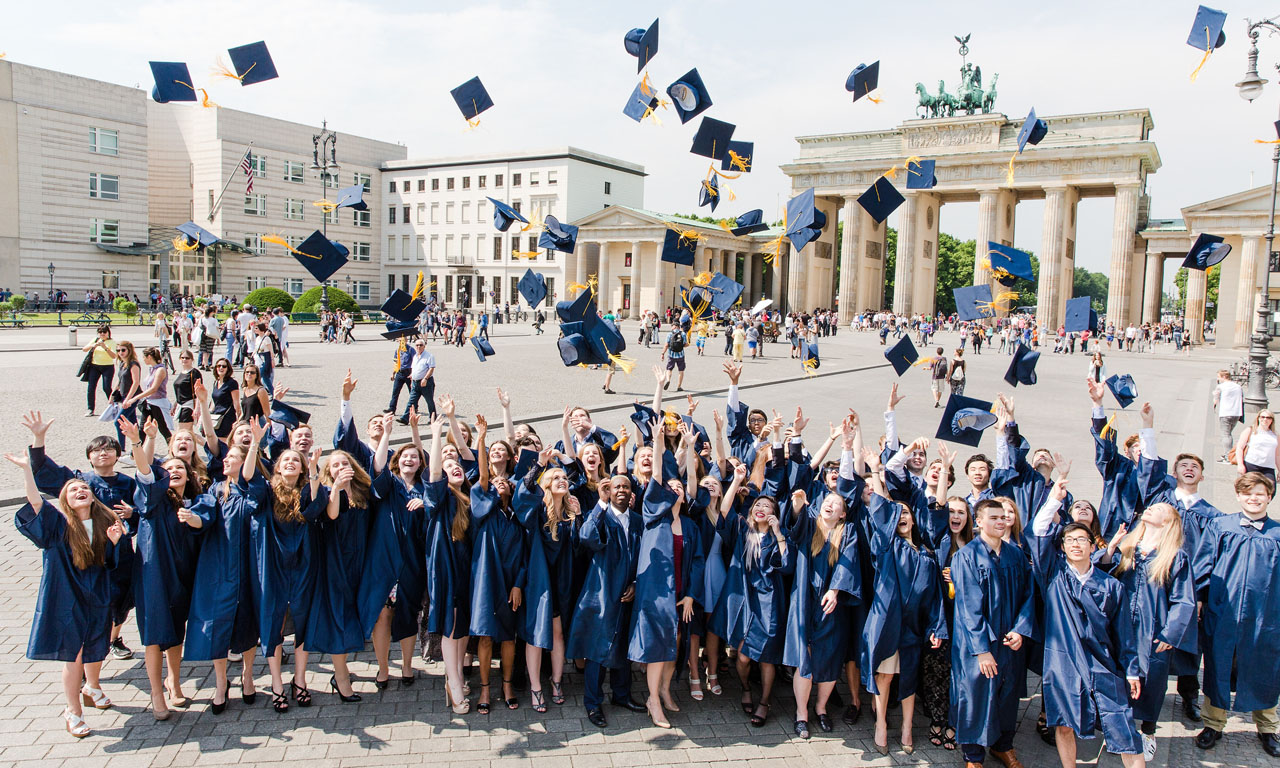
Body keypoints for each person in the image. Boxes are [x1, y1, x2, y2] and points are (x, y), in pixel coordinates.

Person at [5, 451, 127, 738]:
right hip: (66, 598)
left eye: (83, 487)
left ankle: (92, 687)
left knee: (98, 646)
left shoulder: (104, 522)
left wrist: (112, 543)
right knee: (74, 655)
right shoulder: (58, 525)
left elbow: (110, 564)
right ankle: (72, 711)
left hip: (97, 596)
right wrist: (26, 470)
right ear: (64, 500)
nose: (80, 490)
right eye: (73, 489)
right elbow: (35, 503)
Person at [1029, 476, 1146, 768]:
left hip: (1102, 663)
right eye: (1069, 540)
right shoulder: (1053, 576)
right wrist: (1054, 498)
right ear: (1063, 547)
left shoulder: (1110, 586)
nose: (1075, 544)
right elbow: (1039, 531)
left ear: (1093, 546)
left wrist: (1131, 671)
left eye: (1082, 539)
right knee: (1064, 723)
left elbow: (1125, 636)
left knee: (1123, 726)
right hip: (1063, 662)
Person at [862, 446, 947, 756]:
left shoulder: (926, 554)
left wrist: (937, 626)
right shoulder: (886, 547)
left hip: (913, 625)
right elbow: (881, 511)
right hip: (886, 622)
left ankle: (908, 727)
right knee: (884, 674)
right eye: (897, 514)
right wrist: (875, 469)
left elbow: (936, 594)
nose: (902, 517)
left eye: (906, 513)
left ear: (913, 520)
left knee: (909, 676)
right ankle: (882, 723)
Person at [1098, 501, 1196, 763]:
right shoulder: (1128, 547)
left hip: (1154, 629)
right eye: (1151, 507)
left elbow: (1183, 600)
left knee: (1152, 681)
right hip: (1120, 626)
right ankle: (1120, 728)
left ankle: (1148, 731)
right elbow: (1103, 575)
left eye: (1160, 509)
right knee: (1119, 677)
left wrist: (1169, 634)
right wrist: (1110, 549)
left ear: (1168, 522)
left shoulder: (1174, 556)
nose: (1151, 509)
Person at [1191, 472, 1280, 758]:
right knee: (1217, 666)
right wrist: (1199, 600)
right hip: (1223, 611)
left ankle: (1268, 728)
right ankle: (1213, 724)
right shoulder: (1220, 526)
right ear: (1238, 496)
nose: (1253, 498)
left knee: (1265, 669)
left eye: (1260, 493)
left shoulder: (1277, 534)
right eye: (1248, 493)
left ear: (1269, 496)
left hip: (1266, 615)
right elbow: (1202, 565)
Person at [950, 498, 1036, 768]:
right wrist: (982, 650)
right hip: (979, 644)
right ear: (979, 522)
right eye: (994, 518)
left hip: (1010, 641)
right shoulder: (966, 556)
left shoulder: (1016, 555)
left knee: (1008, 694)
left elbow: (1028, 596)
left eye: (1003, 517)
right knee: (976, 696)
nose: (1001, 522)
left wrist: (1021, 630)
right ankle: (973, 756)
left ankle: (1003, 746)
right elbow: (968, 607)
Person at [716, 461, 794, 728]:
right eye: (758, 505)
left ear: (775, 513)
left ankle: (765, 701)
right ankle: (746, 688)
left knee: (766, 658)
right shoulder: (743, 530)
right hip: (745, 601)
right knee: (743, 657)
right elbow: (723, 512)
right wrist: (737, 481)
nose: (761, 509)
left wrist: (778, 533)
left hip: (769, 603)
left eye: (768, 507)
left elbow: (787, 566)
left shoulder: (778, 537)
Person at [567, 472, 644, 729]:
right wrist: (600, 504)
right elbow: (586, 538)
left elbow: (644, 557)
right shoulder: (600, 516)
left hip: (627, 591)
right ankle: (593, 703)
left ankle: (621, 695)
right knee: (597, 650)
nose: (621, 489)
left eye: (626, 486)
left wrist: (636, 583)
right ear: (609, 491)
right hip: (601, 592)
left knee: (622, 645)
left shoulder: (637, 521)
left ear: (632, 493)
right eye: (616, 486)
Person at [126, 348, 174, 443]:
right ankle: (136, 452)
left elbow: (153, 389)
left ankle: (173, 449)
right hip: (149, 402)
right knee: (143, 427)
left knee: (163, 428)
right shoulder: (152, 369)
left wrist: (135, 398)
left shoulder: (160, 370)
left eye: (144, 357)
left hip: (158, 403)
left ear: (149, 357)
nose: (143, 359)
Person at [81, 325, 117, 418]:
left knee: (106, 387)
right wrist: (93, 345)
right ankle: (90, 409)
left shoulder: (112, 342)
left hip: (107, 367)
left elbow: (114, 356)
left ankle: (114, 406)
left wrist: (105, 347)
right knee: (91, 387)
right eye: (100, 332)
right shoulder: (95, 340)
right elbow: (84, 349)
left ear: (108, 333)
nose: (102, 334)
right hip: (94, 366)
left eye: (104, 332)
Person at [1235, 409, 1278, 484]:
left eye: (1268, 417)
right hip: (1251, 464)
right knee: (1249, 488)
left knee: (1271, 490)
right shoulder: (1251, 430)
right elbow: (1239, 448)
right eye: (1262, 417)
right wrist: (1240, 464)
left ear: (1272, 420)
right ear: (1258, 418)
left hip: (1268, 467)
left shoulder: (1275, 435)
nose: (1265, 419)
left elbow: (1277, 455)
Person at [400, 339, 436, 424]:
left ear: (424, 346)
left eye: (420, 345)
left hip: (426, 382)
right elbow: (414, 368)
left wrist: (425, 379)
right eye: (417, 345)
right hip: (416, 383)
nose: (418, 347)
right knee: (411, 401)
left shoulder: (429, 356)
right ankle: (405, 418)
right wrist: (412, 377)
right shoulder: (415, 356)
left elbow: (431, 368)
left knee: (429, 401)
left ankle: (433, 418)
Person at [1213, 370, 1244, 464]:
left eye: (1219, 377)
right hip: (1237, 413)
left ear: (1223, 377)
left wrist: (1214, 405)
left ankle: (1228, 456)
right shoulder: (1238, 386)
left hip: (1226, 413)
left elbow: (1216, 399)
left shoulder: (1221, 387)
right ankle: (1228, 453)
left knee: (1226, 435)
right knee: (1228, 433)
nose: (1218, 379)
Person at [662, 324, 688, 392]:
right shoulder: (683, 334)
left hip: (671, 355)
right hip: (680, 355)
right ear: (678, 327)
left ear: (674, 326)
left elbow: (666, 345)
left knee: (669, 369)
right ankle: (679, 386)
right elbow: (685, 344)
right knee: (681, 371)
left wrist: (663, 353)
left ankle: (668, 380)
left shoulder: (669, 334)